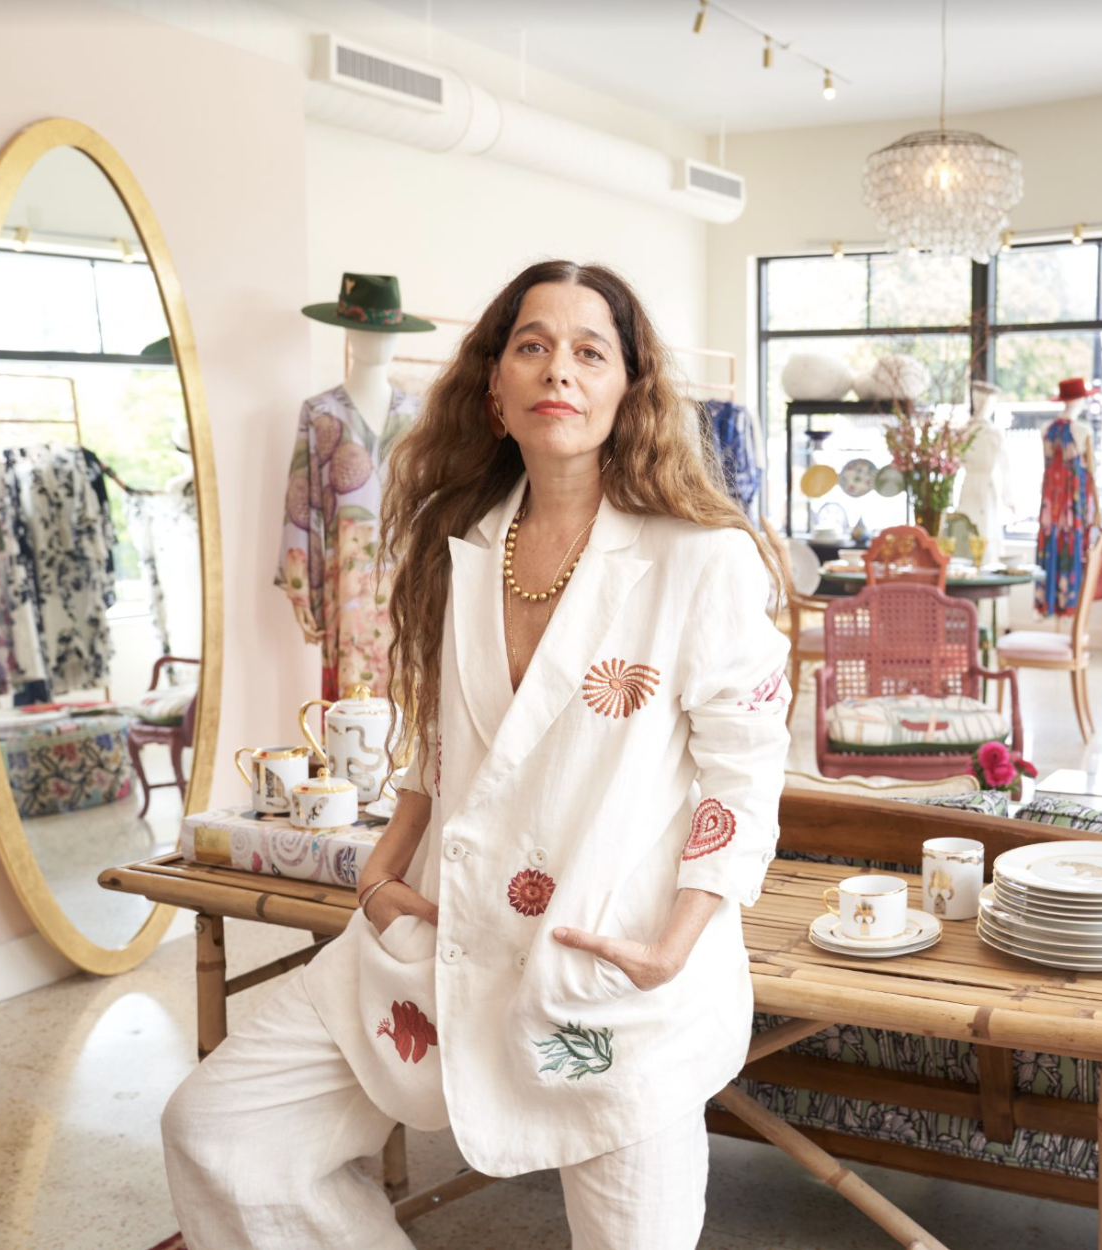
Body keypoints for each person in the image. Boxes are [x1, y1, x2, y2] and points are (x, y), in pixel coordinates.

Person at [160, 260, 792, 1249]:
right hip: (441, 941)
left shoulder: (697, 558)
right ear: (494, 390)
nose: (560, 369)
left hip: (609, 967)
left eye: (591, 351)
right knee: (218, 1126)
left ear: (628, 390)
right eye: (531, 345)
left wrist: (679, 936)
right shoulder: (458, 544)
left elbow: (744, 767)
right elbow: (441, 735)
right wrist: (380, 859)